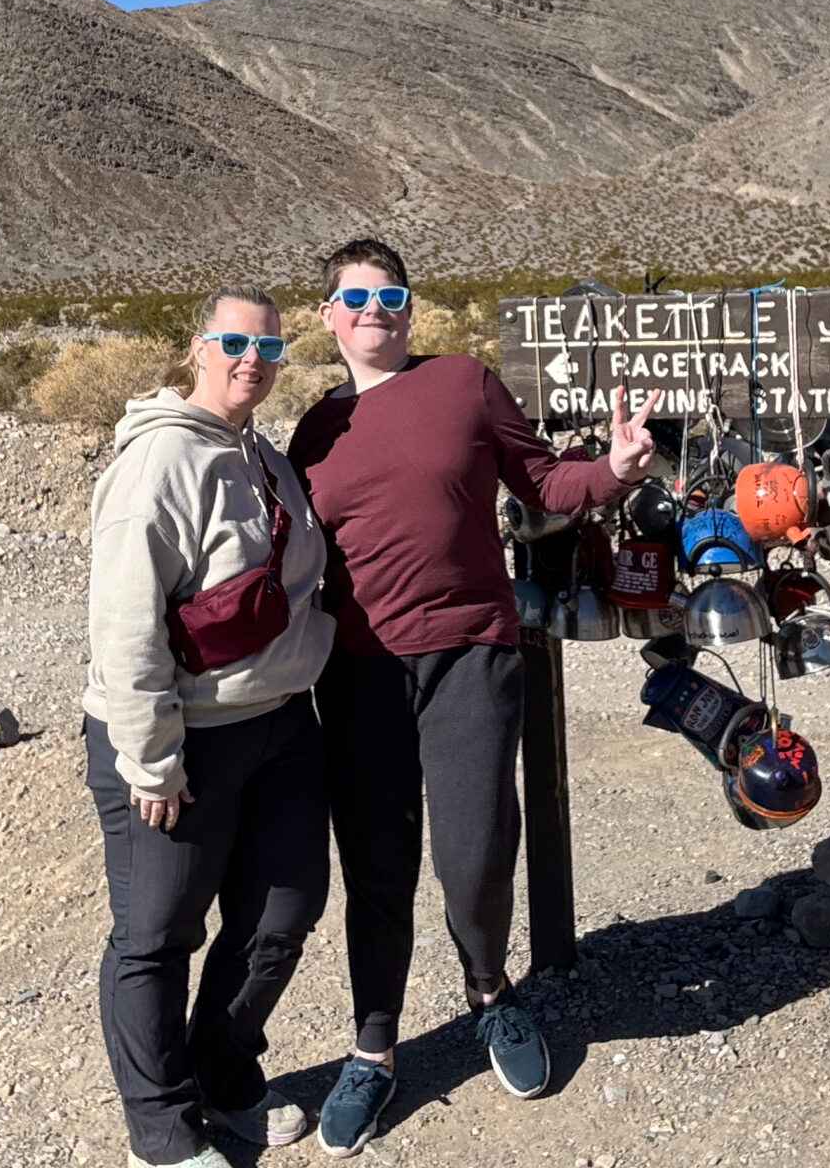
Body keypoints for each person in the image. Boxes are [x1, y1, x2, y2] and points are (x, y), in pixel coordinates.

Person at [288, 239, 658, 1157]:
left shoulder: (464, 383)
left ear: (410, 310)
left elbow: (542, 484)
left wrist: (615, 469)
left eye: (393, 295)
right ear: (330, 316)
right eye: (357, 297)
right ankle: (373, 1046)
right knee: (376, 865)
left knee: (476, 851)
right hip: (361, 670)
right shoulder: (312, 430)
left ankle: (490, 993)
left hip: (470, 655)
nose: (377, 309)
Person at [83, 286, 338, 1168]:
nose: (252, 361)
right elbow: (125, 624)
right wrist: (150, 761)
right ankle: (160, 1129)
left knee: (284, 910)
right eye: (234, 343)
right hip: (181, 737)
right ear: (198, 347)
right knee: (157, 934)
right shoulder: (158, 463)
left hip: (280, 726)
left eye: (269, 348)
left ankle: (221, 1074)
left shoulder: (263, 455)